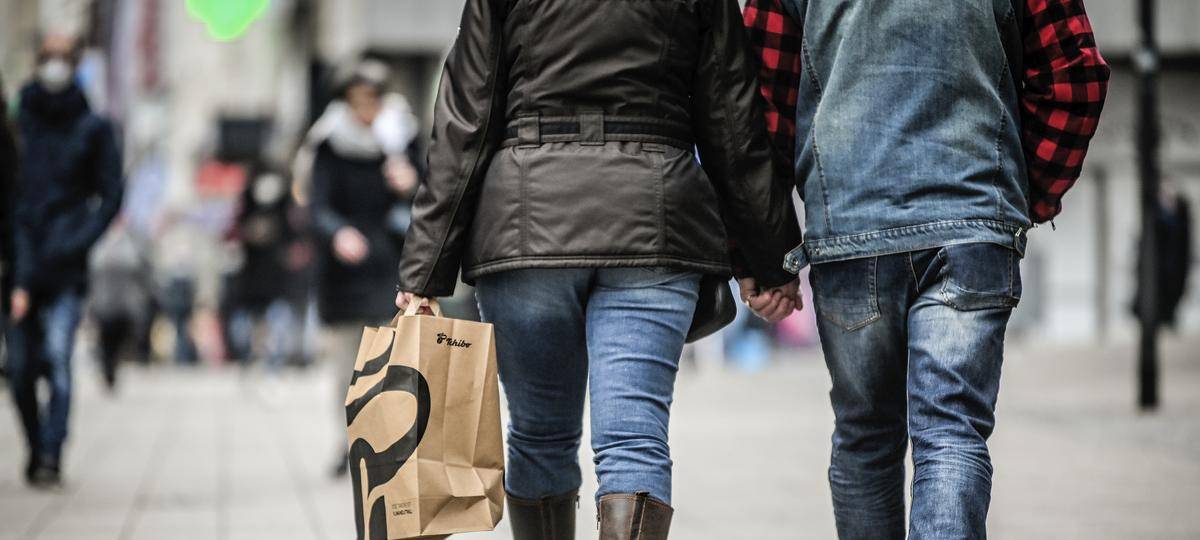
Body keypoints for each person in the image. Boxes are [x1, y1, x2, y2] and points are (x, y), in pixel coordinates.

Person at [395, 1, 802, 538]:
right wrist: (768, 257)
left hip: (527, 227)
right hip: (653, 223)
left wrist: (424, 271)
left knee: (539, 436)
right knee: (635, 439)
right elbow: (732, 122)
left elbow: (465, 122)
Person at [742, 0, 1110, 538]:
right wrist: (1019, 192)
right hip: (971, 221)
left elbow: (761, 98)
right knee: (951, 432)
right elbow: (1074, 76)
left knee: (866, 436)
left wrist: (764, 248)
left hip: (851, 229)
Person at [7, 33, 124, 487]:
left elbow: (111, 194)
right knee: (20, 370)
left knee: (58, 357)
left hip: (66, 265)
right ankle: (36, 445)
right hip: (19, 264)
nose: (54, 66)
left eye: (61, 59)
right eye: (47, 58)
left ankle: (51, 453)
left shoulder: (93, 127)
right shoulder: (19, 123)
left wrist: (81, 237)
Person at [304, 60, 419, 476]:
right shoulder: (329, 142)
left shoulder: (402, 138)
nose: (365, 110)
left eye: (372, 100)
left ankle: (387, 443)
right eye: (357, 101)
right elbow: (316, 205)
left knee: (391, 362)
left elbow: (433, 195)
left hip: (390, 266)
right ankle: (350, 443)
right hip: (344, 271)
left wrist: (410, 182)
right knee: (347, 366)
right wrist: (338, 233)